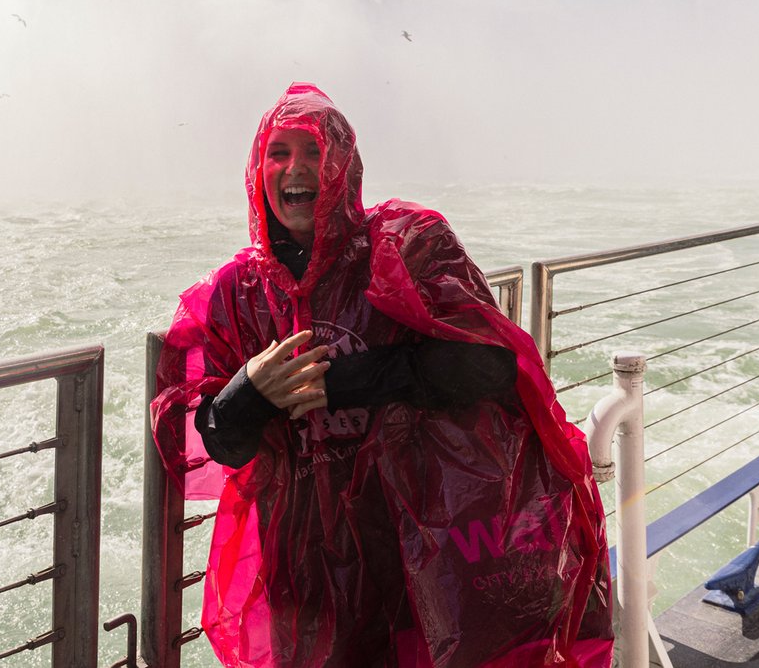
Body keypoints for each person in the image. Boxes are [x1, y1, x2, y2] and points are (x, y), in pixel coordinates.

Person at [151, 83, 612, 667]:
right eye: (280, 153)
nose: (297, 169)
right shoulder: (227, 298)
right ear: (257, 170)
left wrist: (347, 380)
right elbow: (193, 438)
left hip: (418, 553)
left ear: (345, 166)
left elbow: (495, 364)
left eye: (315, 152)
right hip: (304, 570)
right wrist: (250, 392)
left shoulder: (408, 247)